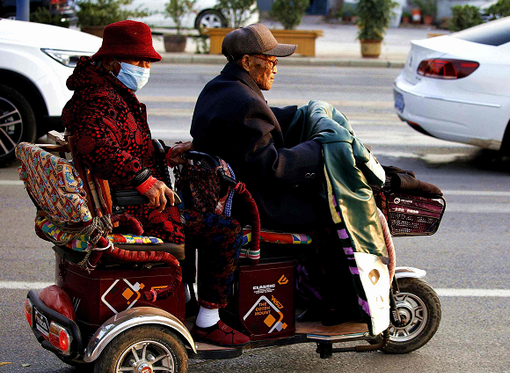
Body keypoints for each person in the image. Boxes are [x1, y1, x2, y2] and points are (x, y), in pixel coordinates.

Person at [61, 20, 250, 347]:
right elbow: (101, 148)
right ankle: (208, 320)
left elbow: (127, 143)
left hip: (131, 200)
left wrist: (164, 153)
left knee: (196, 217)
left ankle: (187, 302)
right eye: (138, 62)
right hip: (132, 210)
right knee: (225, 229)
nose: (145, 68)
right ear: (111, 62)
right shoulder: (99, 98)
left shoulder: (110, 91)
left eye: (147, 62)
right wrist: (144, 179)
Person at [170, 23, 325, 231]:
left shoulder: (218, 87)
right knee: (330, 208)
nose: (275, 70)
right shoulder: (247, 103)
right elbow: (271, 167)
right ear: (247, 61)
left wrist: (302, 114)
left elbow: (258, 121)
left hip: (229, 192)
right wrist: (318, 151)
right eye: (271, 61)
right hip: (253, 204)